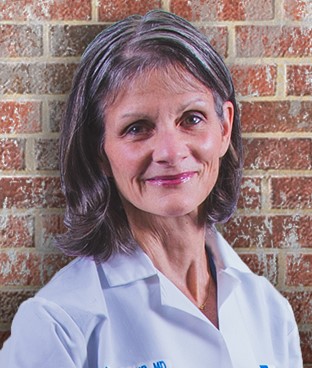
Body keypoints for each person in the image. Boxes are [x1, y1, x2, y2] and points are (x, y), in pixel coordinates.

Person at [0, 10, 302, 368]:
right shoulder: (58, 325)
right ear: (99, 151)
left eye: (192, 119)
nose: (171, 153)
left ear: (224, 128)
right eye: (137, 127)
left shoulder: (269, 312)